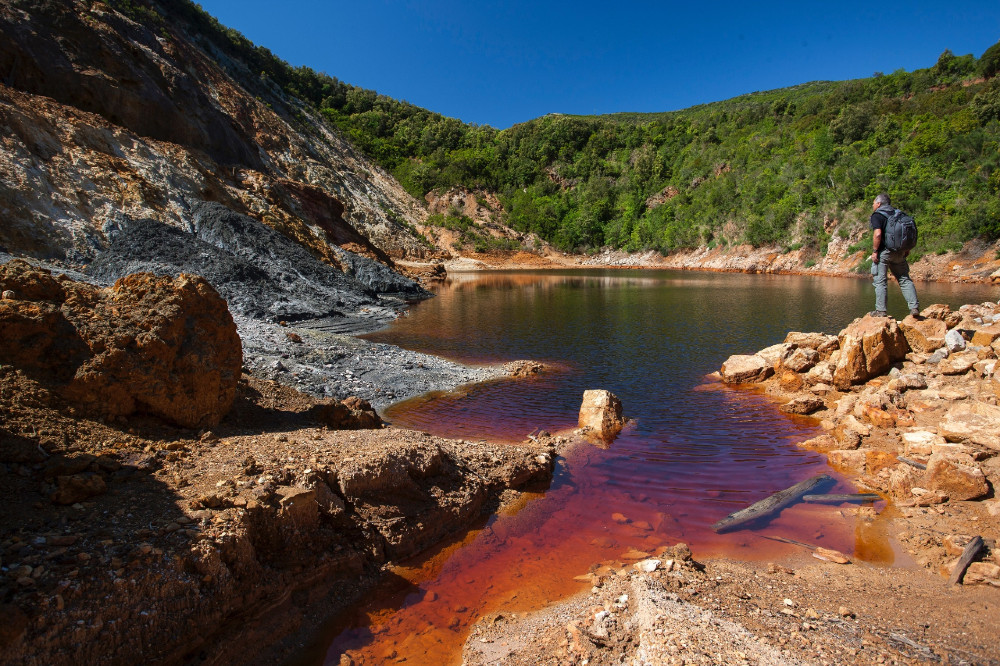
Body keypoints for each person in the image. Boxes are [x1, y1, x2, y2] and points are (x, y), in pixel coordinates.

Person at [869, 193, 919, 318]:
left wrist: (875, 251)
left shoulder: (877, 215)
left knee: (880, 282)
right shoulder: (899, 214)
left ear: (879, 204)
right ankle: (914, 308)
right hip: (900, 251)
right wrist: (906, 248)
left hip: (884, 253)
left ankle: (881, 311)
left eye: (874, 203)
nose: (873, 205)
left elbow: (878, 234)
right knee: (904, 279)